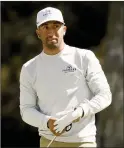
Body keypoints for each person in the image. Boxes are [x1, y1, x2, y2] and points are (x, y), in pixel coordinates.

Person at [19, 7, 112, 147]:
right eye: (45, 27)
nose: (51, 32)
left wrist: (79, 112)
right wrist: (46, 122)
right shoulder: (29, 68)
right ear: (38, 33)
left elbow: (105, 95)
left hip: (83, 141)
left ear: (64, 29)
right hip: (48, 142)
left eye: (56, 26)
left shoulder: (84, 57)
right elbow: (26, 110)